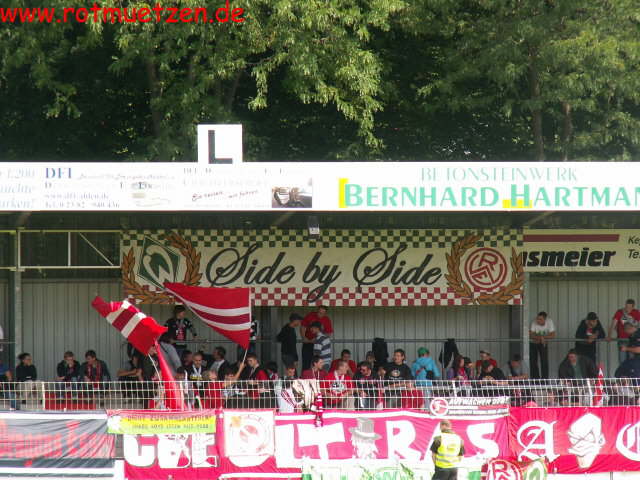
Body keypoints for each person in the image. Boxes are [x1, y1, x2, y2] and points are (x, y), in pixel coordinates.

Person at [608, 299, 640, 364]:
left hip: (633, 339)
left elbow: (638, 325)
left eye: (629, 307)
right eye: (626, 307)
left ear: (633, 307)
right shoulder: (619, 312)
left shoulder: (636, 312)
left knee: (632, 359)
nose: (627, 309)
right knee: (622, 360)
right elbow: (613, 324)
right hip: (622, 339)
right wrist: (609, 336)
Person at [300, 306, 333, 370]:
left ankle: (313, 373)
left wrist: (318, 339)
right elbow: (303, 326)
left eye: (322, 313)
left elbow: (329, 333)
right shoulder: (310, 315)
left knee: (316, 363)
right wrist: (304, 338)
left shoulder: (327, 320)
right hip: (308, 343)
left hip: (319, 344)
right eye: (319, 312)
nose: (320, 314)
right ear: (317, 311)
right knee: (306, 364)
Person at [529, 311, 556, 379]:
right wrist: (541, 338)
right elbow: (531, 335)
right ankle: (535, 380)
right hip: (534, 343)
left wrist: (543, 338)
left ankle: (544, 381)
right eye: (537, 318)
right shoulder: (534, 322)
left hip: (543, 342)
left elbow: (553, 335)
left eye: (540, 319)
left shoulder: (549, 322)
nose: (538, 320)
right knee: (533, 362)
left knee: (544, 361)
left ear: (545, 319)